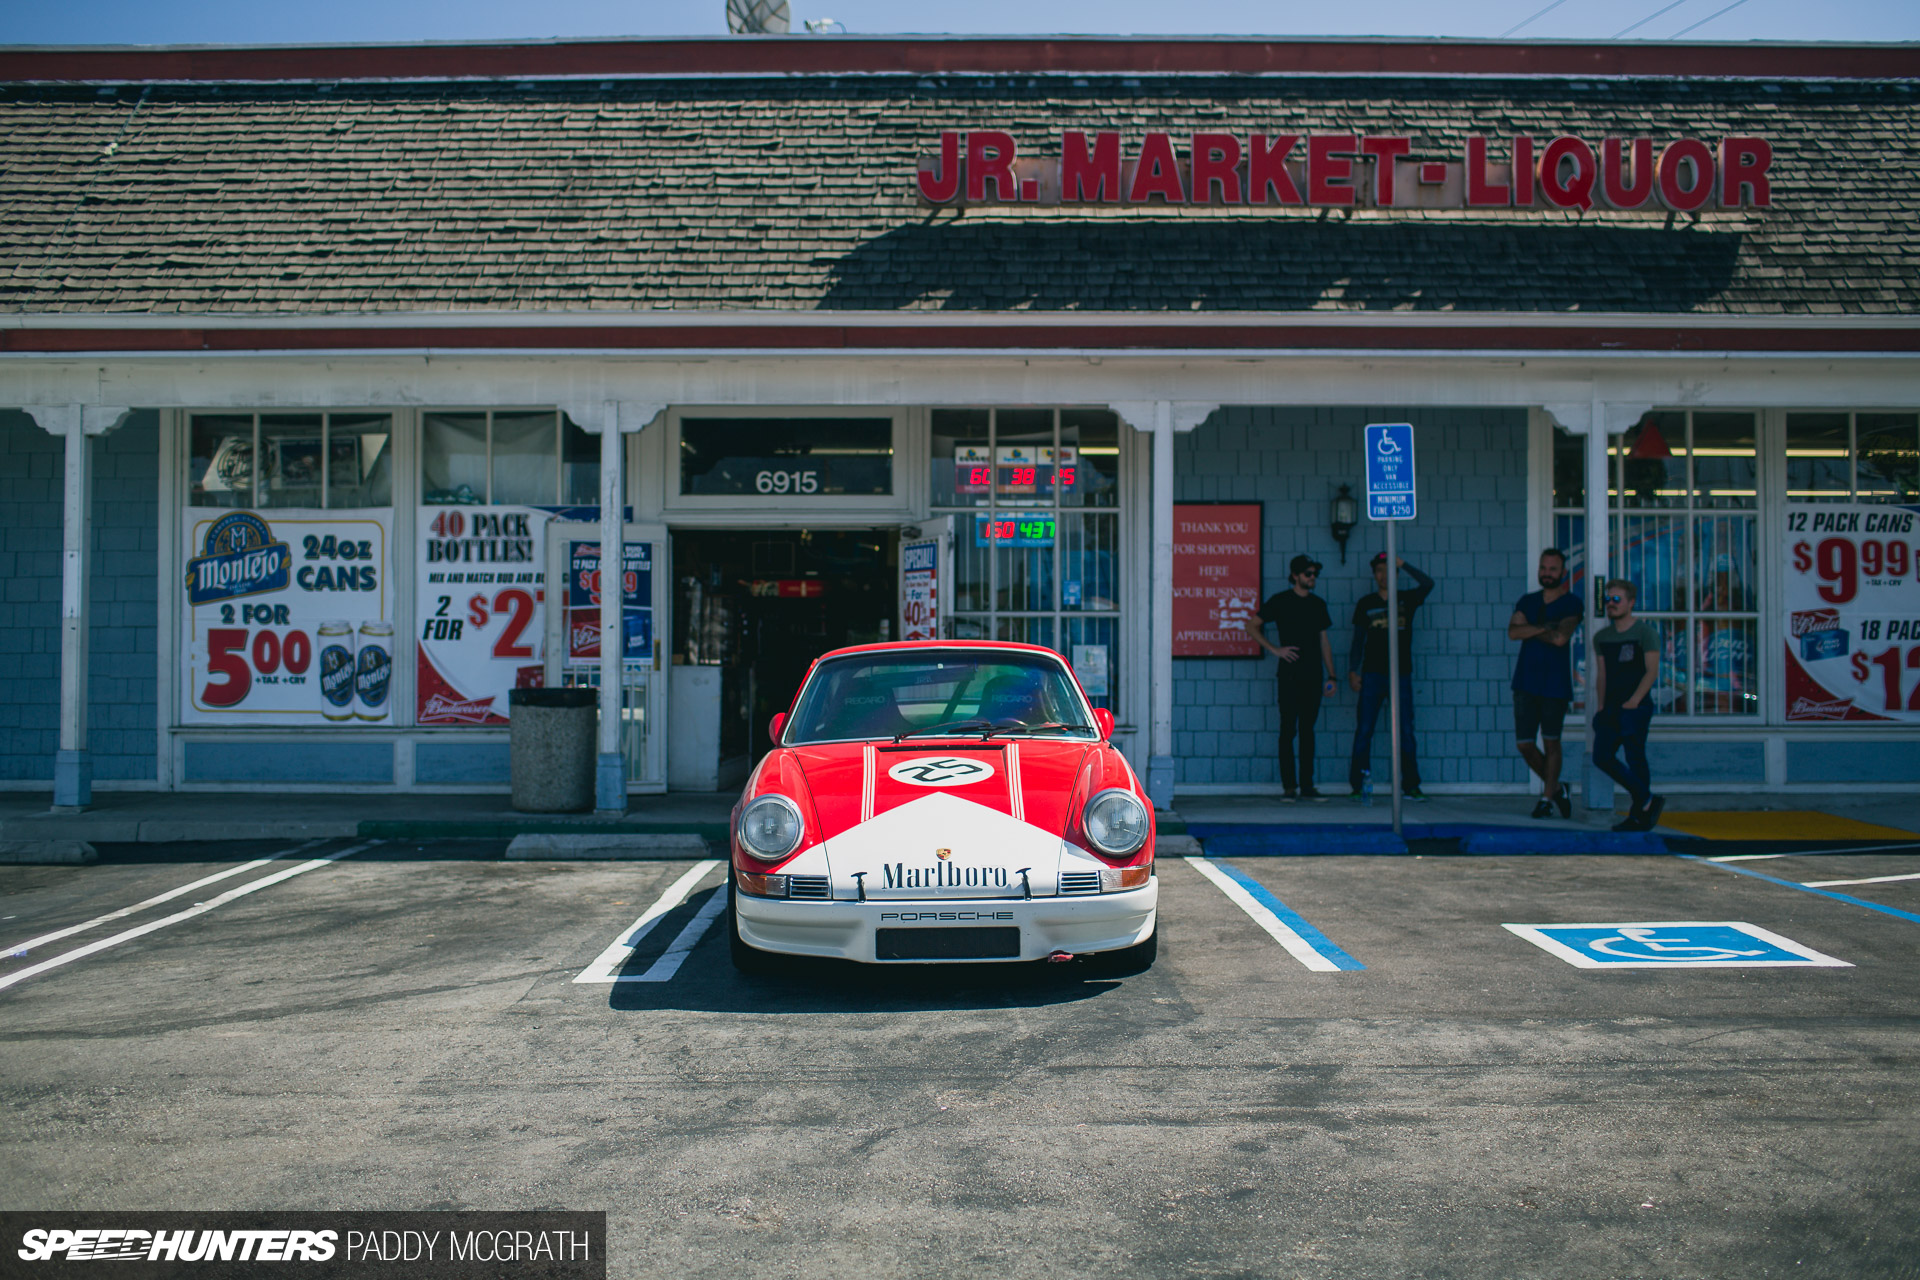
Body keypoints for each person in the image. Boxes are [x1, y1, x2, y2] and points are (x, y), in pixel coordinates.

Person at [1245, 554, 1338, 800]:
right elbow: (1252, 625)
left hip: (1313, 675)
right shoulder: (1281, 601)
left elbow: (1324, 641)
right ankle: (1289, 786)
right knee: (1288, 730)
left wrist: (1332, 675)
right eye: (1308, 573)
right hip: (1289, 675)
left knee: (1308, 730)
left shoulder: (1318, 604)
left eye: (1315, 574)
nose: (1313, 577)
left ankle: (1307, 786)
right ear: (1296, 575)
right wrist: (1275, 649)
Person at [1347, 552, 1434, 801]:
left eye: (1388, 570)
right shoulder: (1366, 603)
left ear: (1396, 574)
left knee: (1405, 731)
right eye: (1379, 571)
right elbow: (1358, 640)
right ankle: (1359, 786)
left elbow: (1428, 584)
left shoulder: (1407, 599)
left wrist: (1402, 563)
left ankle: (1411, 786)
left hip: (1401, 674)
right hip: (1372, 674)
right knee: (1365, 730)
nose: (1384, 575)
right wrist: (1353, 671)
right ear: (1374, 575)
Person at [1508, 548, 1584, 819]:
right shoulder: (1527, 600)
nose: (1547, 573)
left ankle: (1546, 798)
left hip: (1555, 683)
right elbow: (1513, 632)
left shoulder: (1572, 603)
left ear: (1563, 572)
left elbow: (1560, 638)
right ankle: (1559, 789)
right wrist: (1545, 627)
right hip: (1525, 681)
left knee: (1552, 742)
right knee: (1525, 744)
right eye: (1543, 568)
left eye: (1552, 569)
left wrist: (1530, 628)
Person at [1591, 578, 1665, 832]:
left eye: (1616, 599)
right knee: (1601, 756)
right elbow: (1602, 675)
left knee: (1635, 758)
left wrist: (1634, 701)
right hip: (1611, 708)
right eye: (1608, 599)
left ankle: (1638, 815)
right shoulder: (1602, 637)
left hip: (1636, 707)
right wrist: (1601, 707)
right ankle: (1646, 799)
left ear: (1631, 603)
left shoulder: (1645, 633)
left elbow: (1651, 671)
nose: (1611, 604)